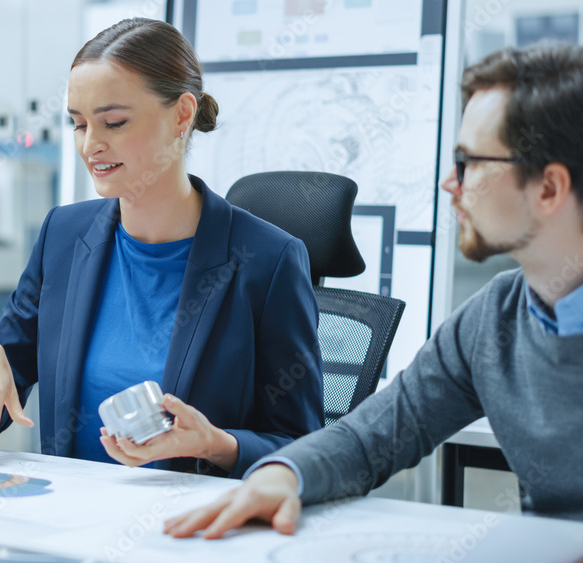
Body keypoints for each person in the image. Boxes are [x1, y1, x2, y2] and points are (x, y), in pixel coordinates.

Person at [165, 42, 583, 538]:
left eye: (469, 163)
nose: (450, 183)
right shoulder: (496, 318)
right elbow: (373, 436)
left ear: (550, 189)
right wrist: (281, 475)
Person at [0, 18, 322, 478]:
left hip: (191, 535)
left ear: (182, 115)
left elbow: (302, 447)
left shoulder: (268, 260)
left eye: (114, 122)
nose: (90, 145)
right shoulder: (63, 235)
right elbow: (7, 378)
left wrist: (218, 444)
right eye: (78, 124)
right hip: (70, 522)